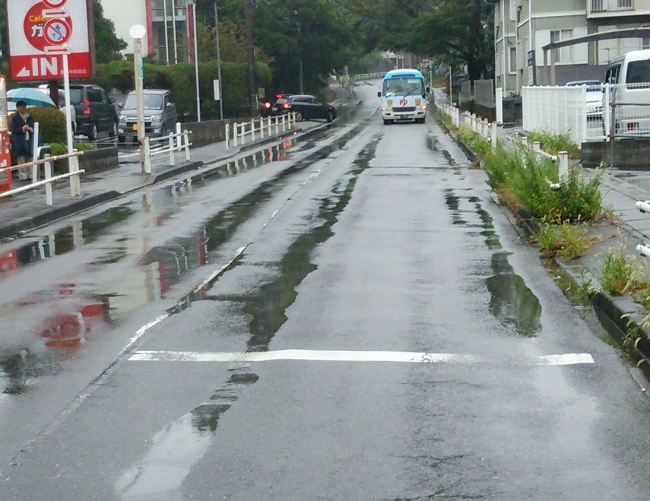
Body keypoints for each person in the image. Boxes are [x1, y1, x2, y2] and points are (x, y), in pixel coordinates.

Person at [11, 101, 35, 180]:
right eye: (21, 107)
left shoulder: (29, 117)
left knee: (30, 157)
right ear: (18, 108)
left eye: (24, 106)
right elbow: (14, 130)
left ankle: (30, 175)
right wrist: (22, 129)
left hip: (29, 139)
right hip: (20, 141)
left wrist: (30, 128)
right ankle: (23, 175)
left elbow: (33, 126)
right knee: (21, 158)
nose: (23, 108)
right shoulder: (15, 118)